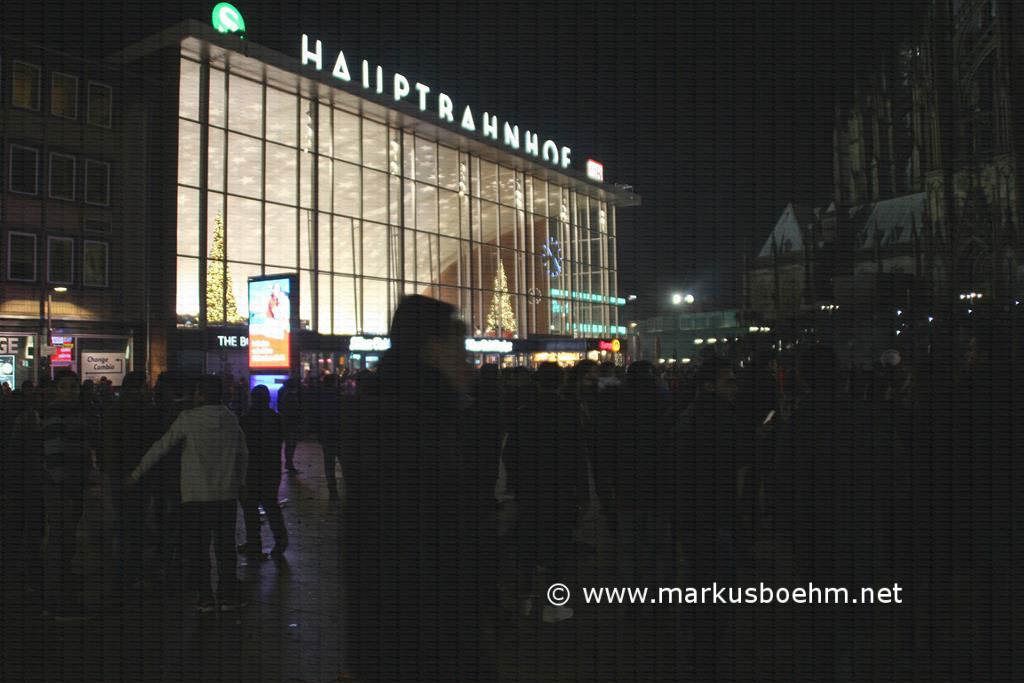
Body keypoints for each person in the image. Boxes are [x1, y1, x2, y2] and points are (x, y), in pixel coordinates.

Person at [342, 295, 495, 680]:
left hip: (401, 633)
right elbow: (422, 543)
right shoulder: (413, 421)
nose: (468, 363)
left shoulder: (405, 409)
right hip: (422, 637)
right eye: (460, 349)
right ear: (433, 348)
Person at [128, 375, 248, 613]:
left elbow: (161, 447)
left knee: (199, 548)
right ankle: (227, 594)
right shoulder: (231, 419)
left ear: (200, 394)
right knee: (225, 547)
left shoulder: (188, 419)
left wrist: (136, 474)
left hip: (194, 495)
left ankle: (205, 597)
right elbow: (243, 454)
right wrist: (241, 481)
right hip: (225, 494)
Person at [41, 370, 95, 620]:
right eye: (66, 387)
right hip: (63, 485)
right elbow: (55, 451)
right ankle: (57, 599)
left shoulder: (74, 412)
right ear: (57, 389)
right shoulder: (58, 413)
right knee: (61, 539)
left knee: (65, 539)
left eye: (74, 386)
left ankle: (60, 594)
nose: (71, 391)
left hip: (70, 482)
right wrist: (68, 482)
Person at [102, 371, 157, 591]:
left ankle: (123, 572)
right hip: (137, 475)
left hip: (122, 475)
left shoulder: (115, 411)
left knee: (126, 524)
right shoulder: (143, 413)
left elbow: (108, 446)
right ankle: (131, 572)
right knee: (134, 524)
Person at [238, 385, 288, 555]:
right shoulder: (276, 419)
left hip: (251, 468)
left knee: (250, 507)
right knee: (271, 505)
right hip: (271, 468)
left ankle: (254, 543)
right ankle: (281, 541)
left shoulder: (245, 420)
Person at [277, 378, 302, 473]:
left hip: (287, 422)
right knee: (291, 444)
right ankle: (289, 462)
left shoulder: (286, 395)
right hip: (291, 423)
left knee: (290, 444)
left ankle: (289, 462)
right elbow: (294, 411)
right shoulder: (291, 397)